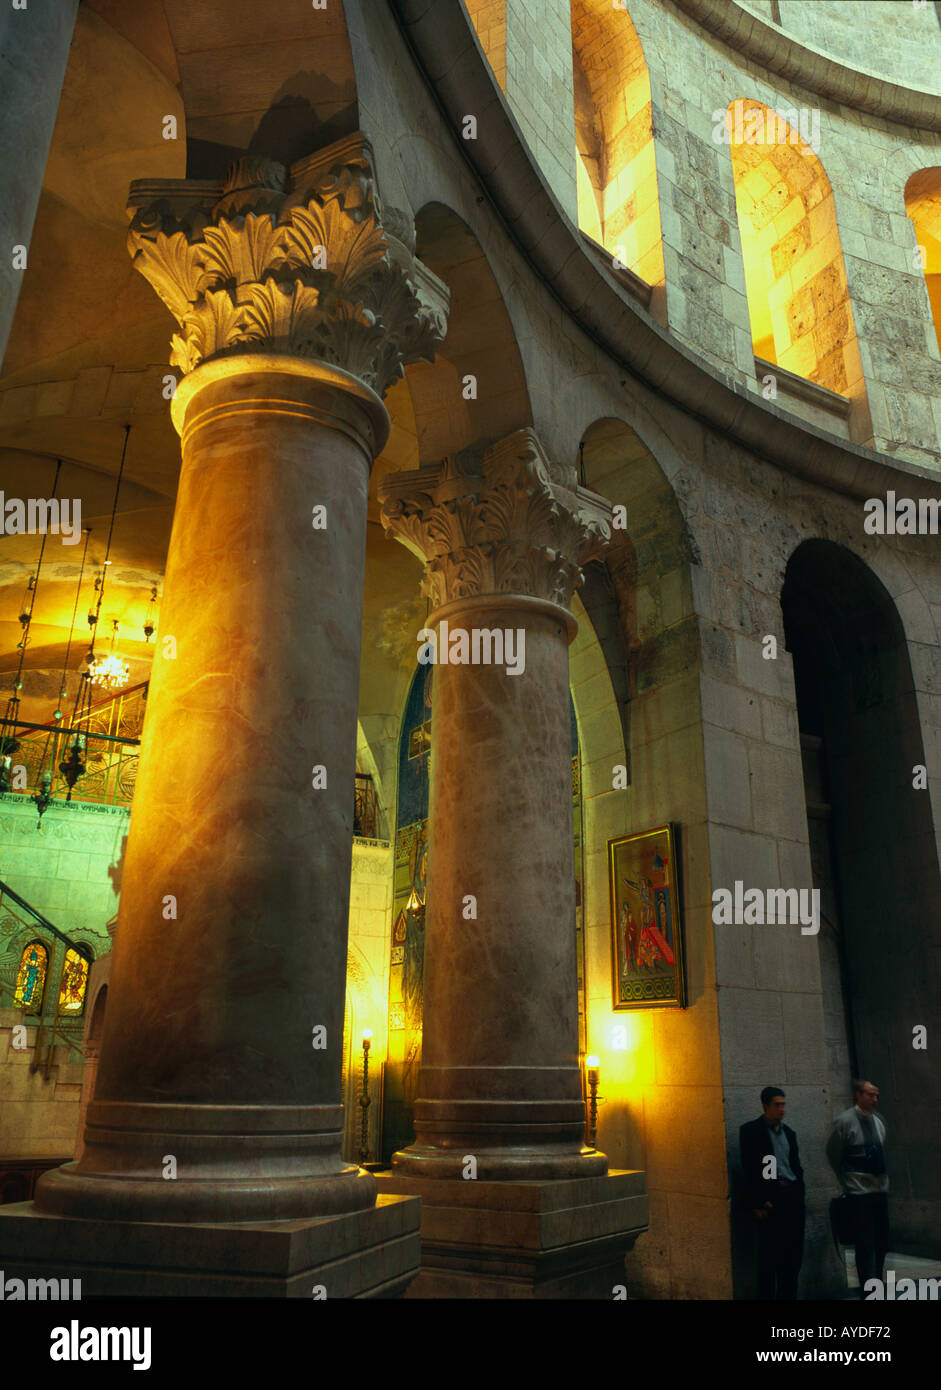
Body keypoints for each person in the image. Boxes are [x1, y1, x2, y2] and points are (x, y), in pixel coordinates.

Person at [740, 1086, 806, 1299]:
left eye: (784, 1104)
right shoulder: (752, 1131)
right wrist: (758, 1202)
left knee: (793, 1258)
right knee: (769, 1260)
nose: (782, 1109)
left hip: (791, 1198)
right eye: (777, 1105)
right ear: (765, 1106)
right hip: (771, 1201)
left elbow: (794, 1165)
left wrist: (799, 1191)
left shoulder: (788, 1133)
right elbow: (750, 1169)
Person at [826, 1080, 888, 1297]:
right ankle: (867, 1289)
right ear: (858, 1095)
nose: (874, 1099)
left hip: (879, 1190)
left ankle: (877, 1285)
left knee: (881, 1242)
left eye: (876, 1095)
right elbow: (834, 1153)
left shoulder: (878, 1121)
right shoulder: (845, 1122)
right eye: (870, 1095)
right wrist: (847, 1182)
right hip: (859, 1192)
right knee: (864, 1244)